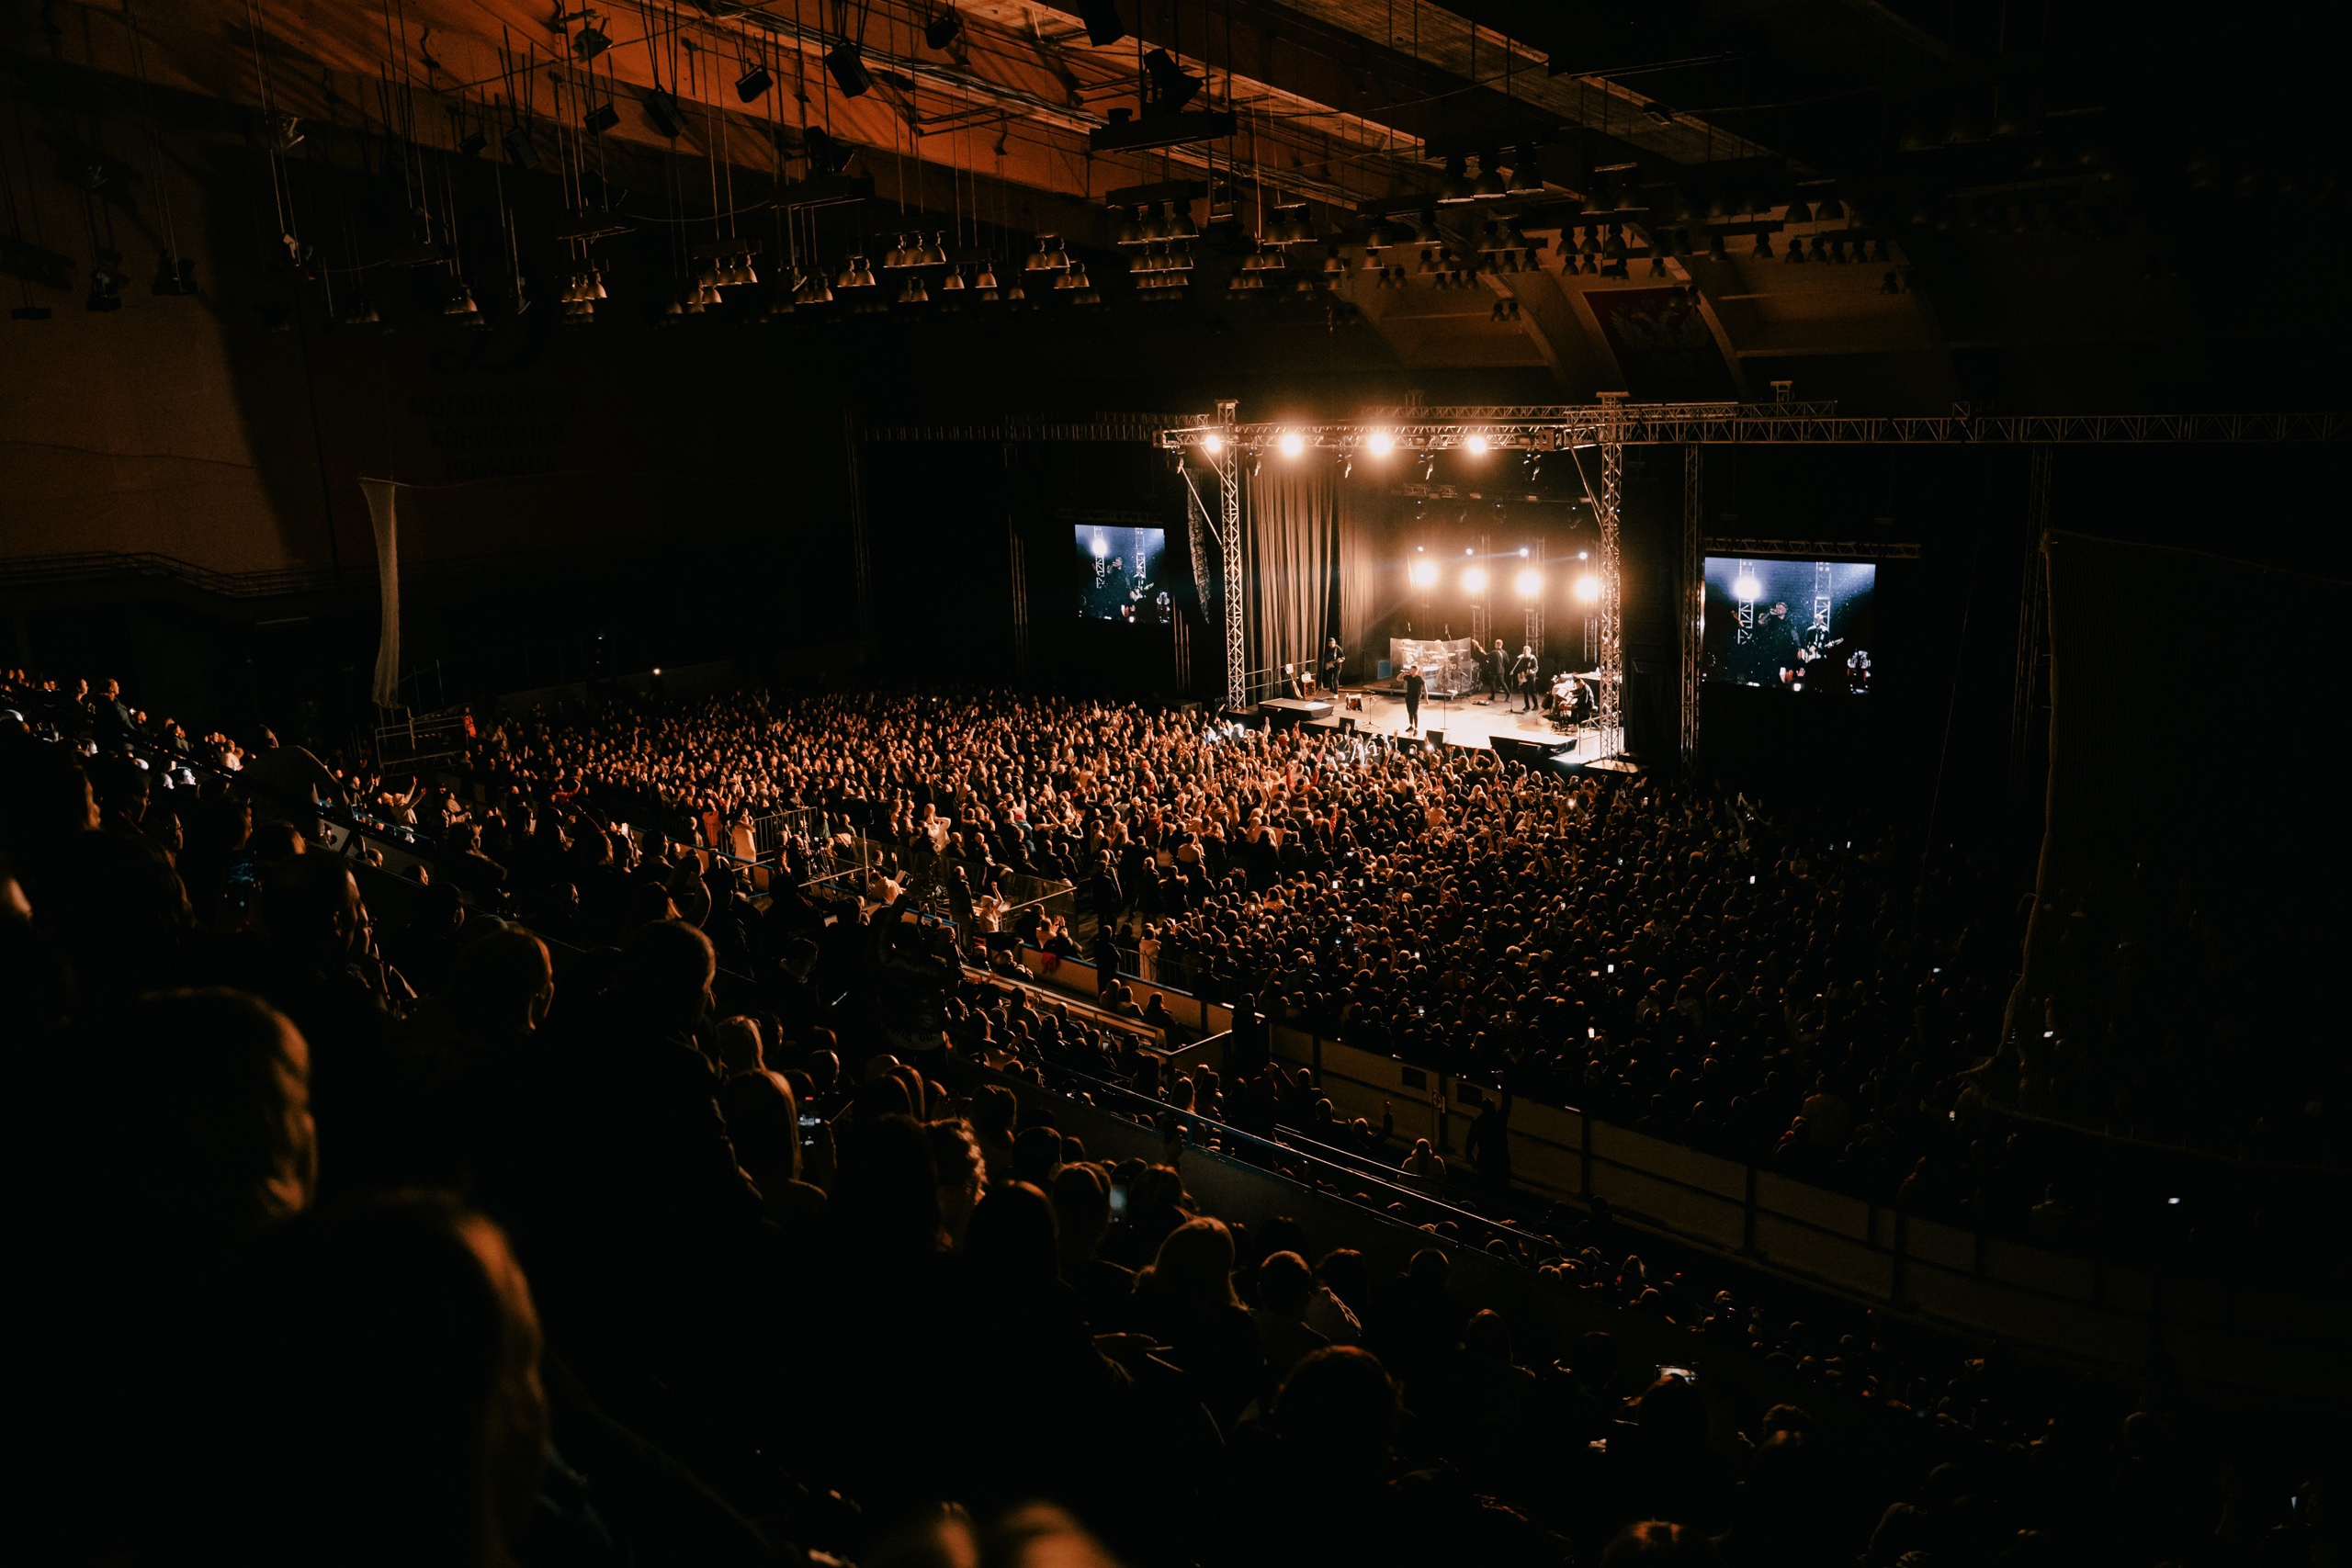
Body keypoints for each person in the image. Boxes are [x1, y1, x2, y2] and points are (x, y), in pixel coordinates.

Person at [1512, 645, 1540, 711]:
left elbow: (1536, 668)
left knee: (1532, 692)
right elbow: (1520, 668)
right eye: (1523, 651)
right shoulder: (1522, 659)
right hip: (1524, 677)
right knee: (1525, 692)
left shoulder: (1533, 659)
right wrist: (1520, 676)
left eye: (1525, 651)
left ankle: (1536, 705)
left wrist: (1532, 671)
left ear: (1529, 651)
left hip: (1530, 677)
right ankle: (1527, 706)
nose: (1524, 653)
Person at [1402, 663, 1425, 736]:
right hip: (1409, 697)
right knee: (1409, 711)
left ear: (1416, 671)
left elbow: (1425, 688)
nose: (1410, 671)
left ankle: (1416, 728)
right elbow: (1398, 679)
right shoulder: (1408, 677)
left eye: (1412, 670)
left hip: (1416, 697)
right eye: (1410, 670)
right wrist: (1403, 673)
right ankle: (1411, 726)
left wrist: (1426, 698)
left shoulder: (1419, 678)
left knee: (1414, 712)